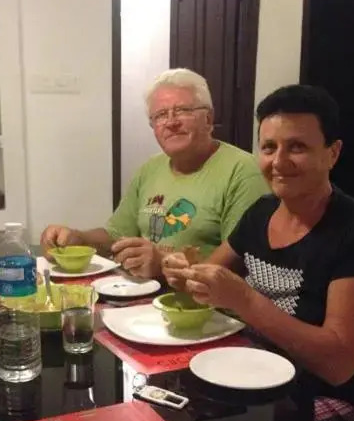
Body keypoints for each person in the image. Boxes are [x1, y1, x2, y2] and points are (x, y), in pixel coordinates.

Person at [163, 84, 354, 421]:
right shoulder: (262, 211)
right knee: (171, 414)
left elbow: (338, 364)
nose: (278, 162)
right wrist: (183, 273)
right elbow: (208, 279)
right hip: (269, 379)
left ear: (332, 153)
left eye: (297, 147)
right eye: (269, 147)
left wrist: (245, 300)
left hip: (351, 405)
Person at [40, 68, 268, 279]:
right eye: (160, 115)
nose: (171, 122)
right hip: (142, 298)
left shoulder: (243, 170)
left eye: (182, 111)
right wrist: (79, 239)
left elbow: (241, 265)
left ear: (208, 119)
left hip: (206, 307)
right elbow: (116, 236)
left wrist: (163, 265)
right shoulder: (150, 169)